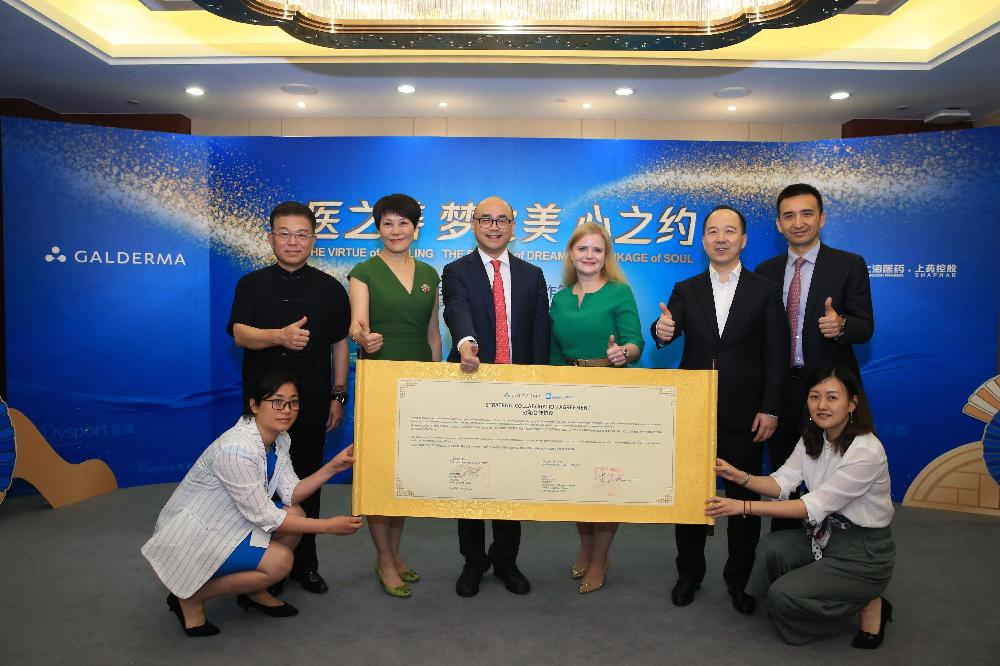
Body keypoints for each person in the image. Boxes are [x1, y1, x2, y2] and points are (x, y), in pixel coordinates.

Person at [141, 371, 363, 637]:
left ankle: (254, 591)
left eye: (293, 402)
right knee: (281, 562)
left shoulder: (279, 439)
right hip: (199, 533)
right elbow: (265, 516)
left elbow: (291, 493)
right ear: (254, 405)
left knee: (295, 513)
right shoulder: (237, 449)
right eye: (277, 401)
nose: (286, 410)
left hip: (232, 520)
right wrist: (328, 527)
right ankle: (190, 597)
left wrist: (333, 467)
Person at [650, 205, 788, 615]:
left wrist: (770, 407)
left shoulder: (765, 290)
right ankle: (688, 574)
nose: (721, 238)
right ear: (703, 240)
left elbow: (776, 355)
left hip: (747, 415)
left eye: (729, 231)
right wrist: (662, 331)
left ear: (743, 240)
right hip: (695, 411)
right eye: (712, 231)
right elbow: (666, 328)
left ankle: (740, 580)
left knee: (744, 501)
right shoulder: (686, 288)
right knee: (691, 497)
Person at [706, 365, 894, 648]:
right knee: (770, 548)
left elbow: (809, 507)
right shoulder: (812, 438)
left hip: (863, 551)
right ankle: (830, 592)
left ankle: (866, 600)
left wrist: (742, 506)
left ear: (853, 403)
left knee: (783, 595)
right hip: (823, 535)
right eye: (814, 396)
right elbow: (781, 483)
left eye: (832, 397)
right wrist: (739, 476)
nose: (821, 405)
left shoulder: (865, 451)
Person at [228, 201, 351, 594]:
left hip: (312, 402)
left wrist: (338, 395)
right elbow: (240, 334)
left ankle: (305, 564)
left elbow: (340, 345)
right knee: (259, 487)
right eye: (284, 234)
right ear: (271, 238)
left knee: (306, 483)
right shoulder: (251, 284)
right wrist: (278, 336)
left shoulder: (330, 287)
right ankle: (262, 564)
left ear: (313, 240)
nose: (293, 242)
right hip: (263, 408)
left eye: (301, 234)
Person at [441, 195, 550, 597]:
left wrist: (538, 385)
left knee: (510, 479)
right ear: (473, 224)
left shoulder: (532, 275)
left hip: (518, 393)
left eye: (501, 220)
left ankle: (506, 559)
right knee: (470, 477)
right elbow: (457, 309)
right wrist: (466, 342)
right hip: (472, 386)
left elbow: (540, 332)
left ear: (513, 227)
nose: (493, 226)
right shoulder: (456, 271)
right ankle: (473, 561)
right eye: (485, 219)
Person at [755, 184, 874, 531]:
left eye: (807, 213)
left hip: (829, 391)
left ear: (821, 218)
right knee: (785, 478)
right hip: (781, 390)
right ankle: (784, 551)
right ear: (778, 224)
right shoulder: (764, 271)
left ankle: (838, 556)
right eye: (789, 216)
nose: (798, 222)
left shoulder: (849, 265)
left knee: (834, 481)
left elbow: (865, 326)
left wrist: (842, 325)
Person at [347, 193, 442, 599]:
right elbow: (356, 325)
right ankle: (384, 559)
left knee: (403, 473)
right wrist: (363, 339)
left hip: (419, 380)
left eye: (404, 223)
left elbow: (433, 334)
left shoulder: (430, 274)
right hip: (380, 376)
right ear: (378, 228)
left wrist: (437, 381)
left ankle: (396, 552)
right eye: (388, 223)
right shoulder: (363, 272)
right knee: (380, 472)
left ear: (415, 229)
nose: (396, 230)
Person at [549, 222, 643, 594]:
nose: (589, 255)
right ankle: (586, 549)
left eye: (597, 250)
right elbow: (553, 353)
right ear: (571, 254)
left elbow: (635, 342)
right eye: (582, 249)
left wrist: (624, 353)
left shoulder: (620, 293)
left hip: (609, 394)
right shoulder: (560, 299)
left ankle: (601, 557)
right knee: (577, 478)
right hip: (568, 397)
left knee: (604, 480)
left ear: (606, 257)